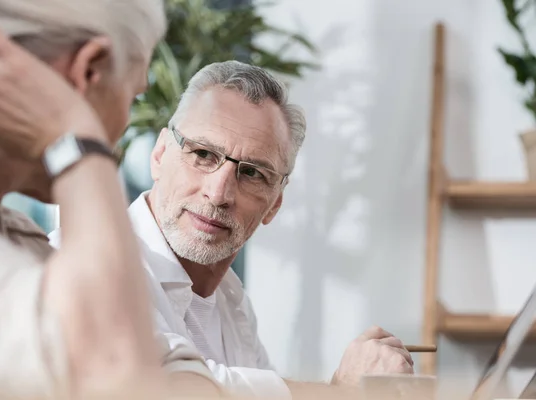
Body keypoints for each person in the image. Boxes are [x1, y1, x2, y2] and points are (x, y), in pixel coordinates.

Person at [74, 60, 413, 398]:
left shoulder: (231, 303)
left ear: (275, 204)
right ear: (160, 155)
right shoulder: (88, 267)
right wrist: (343, 390)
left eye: (252, 173)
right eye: (203, 154)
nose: (219, 193)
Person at [0, 0, 221, 396]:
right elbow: (116, 368)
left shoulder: (14, 237)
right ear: (88, 70)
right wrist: (76, 140)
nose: (123, 131)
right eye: (133, 96)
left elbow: (164, 364)